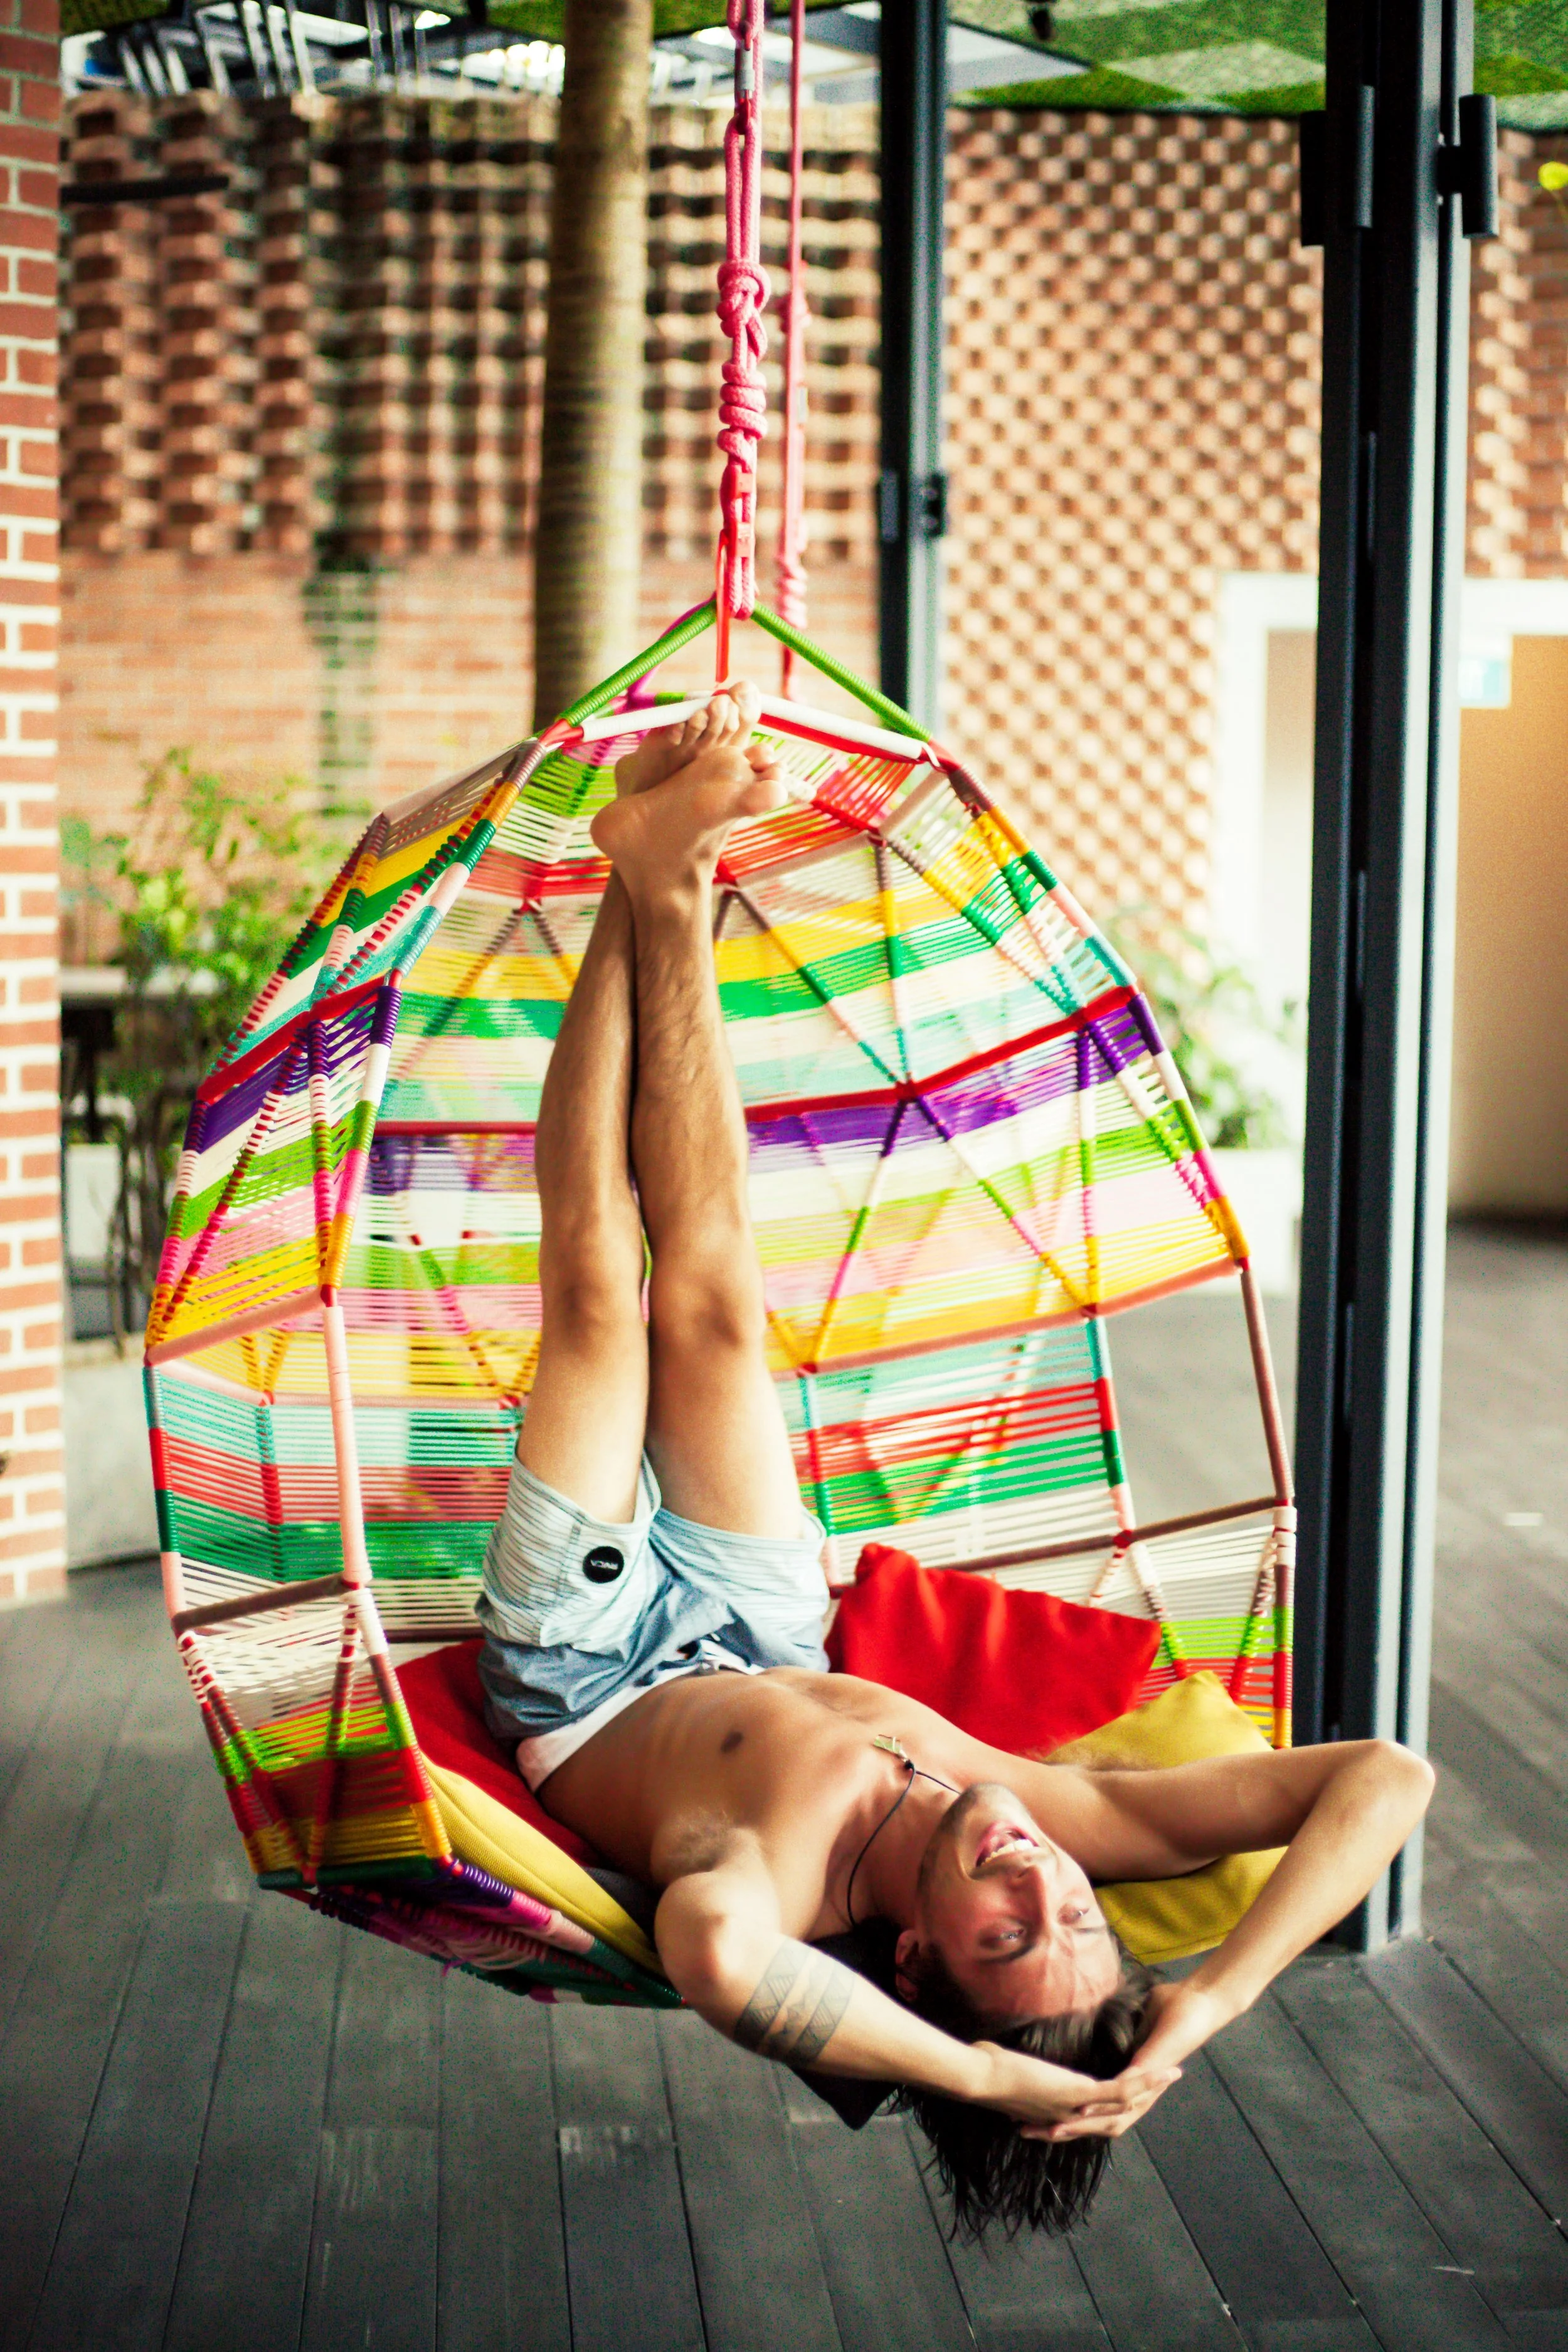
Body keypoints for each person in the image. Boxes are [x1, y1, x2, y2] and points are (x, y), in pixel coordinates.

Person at [476, 684, 1434, 2236]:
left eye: (1005, 1932)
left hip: (585, 1678)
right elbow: (1387, 1779)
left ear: (915, 1966)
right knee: (713, 1292)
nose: (1032, 1876)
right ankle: (659, 874)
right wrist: (1204, 2005)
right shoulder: (1044, 1814)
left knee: (600, 1298)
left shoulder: (771, 1892)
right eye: (1072, 1911)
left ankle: (649, 874)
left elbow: (719, 1963)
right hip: (759, 1616)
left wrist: (984, 2086)